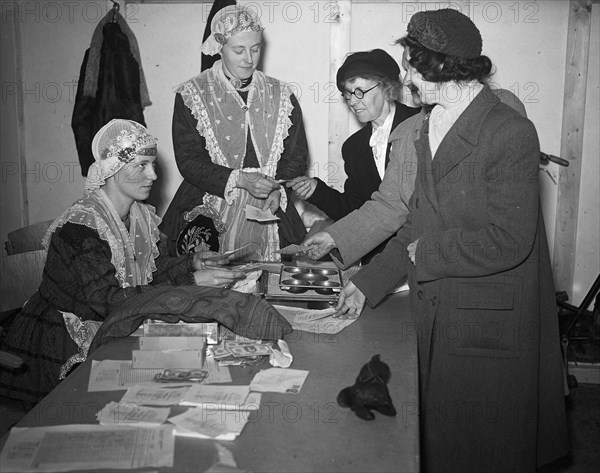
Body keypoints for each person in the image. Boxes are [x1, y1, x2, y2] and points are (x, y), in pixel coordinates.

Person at [307, 9, 569, 473]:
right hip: (444, 307)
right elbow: (416, 218)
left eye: (410, 65)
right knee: (445, 444)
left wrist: (426, 254)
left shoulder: (508, 130)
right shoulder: (430, 125)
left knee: (486, 447)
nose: (403, 76)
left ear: (441, 66)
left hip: (490, 318)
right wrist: (369, 282)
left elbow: (510, 240)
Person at [0, 119, 291, 404]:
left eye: (152, 165)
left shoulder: (139, 215)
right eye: (141, 165)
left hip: (114, 321)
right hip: (64, 338)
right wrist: (191, 283)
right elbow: (108, 300)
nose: (152, 175)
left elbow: (147, 272)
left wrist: (193, 264)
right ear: (113, 168)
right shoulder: (81, 229)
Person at [160, 5, 308, 262]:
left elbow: (296, 157)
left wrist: (277, 188)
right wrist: (239, 180)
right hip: (208, 200)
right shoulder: (192, 95)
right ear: (220, 46)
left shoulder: (282, 95)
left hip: (270, 203)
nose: (249, 59)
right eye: (239, 50)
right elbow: (189, 160)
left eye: (255, 48)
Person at [287, 49, 419, 262]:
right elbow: (355, 208)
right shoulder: (354, 147)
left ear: (387, 88)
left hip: (419, 251)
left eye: (360, 91)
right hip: (378, 257)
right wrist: (317, 191)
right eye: (348, 93)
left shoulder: (420, 123)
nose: (352, 101)